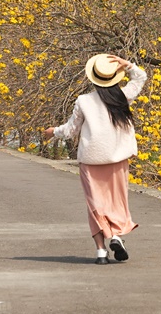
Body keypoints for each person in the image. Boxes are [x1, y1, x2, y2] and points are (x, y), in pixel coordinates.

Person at [44, 54, 147, 265]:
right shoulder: (123, 97)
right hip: (117, 158)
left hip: (91, 160)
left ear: (94, 78)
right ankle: (116, 236)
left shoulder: (84, 101)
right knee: (116, 202)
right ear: (114, 78)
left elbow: (71, 130)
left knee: (95, 205)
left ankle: (101, 251)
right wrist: (127, 65)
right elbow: (141, 77)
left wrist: (53, 131)